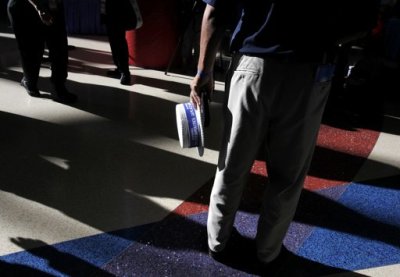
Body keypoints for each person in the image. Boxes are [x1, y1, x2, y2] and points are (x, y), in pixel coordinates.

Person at [189, 0, 379, 274]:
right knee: (287, 176)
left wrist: (203, 72)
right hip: (307, 71)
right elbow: (363, 20)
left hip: (251, 66)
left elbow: (215, 11)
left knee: (232, 165)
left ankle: (218, 242)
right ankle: (268, 252)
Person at [7, 0, 77, 103]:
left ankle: (58, 86)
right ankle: (31, 83)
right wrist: (40, 7)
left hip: (51, 6)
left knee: (59, 47)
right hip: (24, 7)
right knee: (31, 49)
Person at [101, 0, 142, 86]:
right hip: (109, 6)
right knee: (113, 39)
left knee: (119, 40)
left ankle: (125, 72)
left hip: (120, 6)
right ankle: (119, 69)